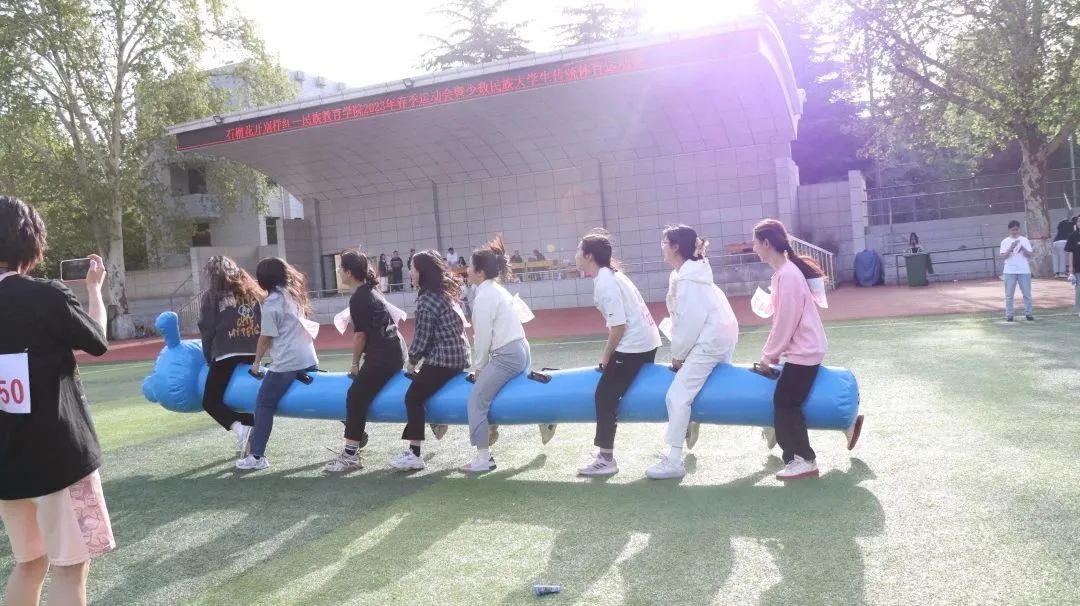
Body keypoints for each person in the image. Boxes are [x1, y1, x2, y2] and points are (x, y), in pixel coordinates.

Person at [0, 196, 115, 606]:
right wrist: (94, 291)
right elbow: (97, 341)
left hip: (7, 464)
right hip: (59, 457)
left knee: (29, 562)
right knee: (71, 567)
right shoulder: (46, 295)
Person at [646, 225, 739, 480]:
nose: (662, 248)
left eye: (665, 243)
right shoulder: (690, 272)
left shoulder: (688, 278)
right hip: (721, 333)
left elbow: (688, 321)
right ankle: (768, 422)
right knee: (716, 387)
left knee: (677, 396)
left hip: (710, 339)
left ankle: (674, 460)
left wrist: (678, 355)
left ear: (676, 247)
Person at [575, 229, 661, 476]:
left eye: (579, 250)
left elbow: (619, 327)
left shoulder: (606, 282)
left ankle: (606, 459)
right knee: (613, 392)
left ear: (589, 256)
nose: (576, 255)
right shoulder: (611, 275)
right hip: (647, 341)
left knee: (604, 396)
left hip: (635, 346)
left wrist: (606, 357)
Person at [752, 218, 830, 481]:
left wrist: (768, 356)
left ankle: (803, 459)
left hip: (804, 351)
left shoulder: (787, 275)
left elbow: (786, 321)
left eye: (755, 243)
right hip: (805, 349)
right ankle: (800, 458)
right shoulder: (783, 274)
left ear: (766, 243)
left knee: (785, 403)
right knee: (787, 400)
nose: (754, 249)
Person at [325, 250, 406, 472]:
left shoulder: (359, 297)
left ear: (349, 273)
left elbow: (360, 336)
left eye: (340, 268)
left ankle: (351, 455)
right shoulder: (372, 292)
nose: (338, 271)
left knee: (355, 396)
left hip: (383, 356)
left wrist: (354, 364)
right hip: (394, 352)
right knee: (360, 394)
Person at [237, 257, 319, 470]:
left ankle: (257, 456)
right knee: (320, 396)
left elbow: (266, 337)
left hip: (286, 363)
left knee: (264, 404)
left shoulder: (272, 303)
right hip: (308, 358)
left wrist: (256, 363)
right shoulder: (293, 295)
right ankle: (350, 426)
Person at [392, 251, 471, 471]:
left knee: (413, 398)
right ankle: (437, 422)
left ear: (422, 272)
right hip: (459, 355)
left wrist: (411, 362)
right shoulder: (443, 292)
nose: (410, 273)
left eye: (412, 269)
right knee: (425, 387)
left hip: (444, 359)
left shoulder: (427, 300)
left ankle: (414, 453)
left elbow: (422, 338)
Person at [460, 235, 532, 473]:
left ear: (480, 272)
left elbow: (482, 338)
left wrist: (479, 367)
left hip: (507, 356)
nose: (467, 270)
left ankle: (483, 458)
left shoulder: (484, 296)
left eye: (470, 266)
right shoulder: (497, 290)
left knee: (476, 401)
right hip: (520, 348)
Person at [197, 256, 263, 455]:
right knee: (244, 399)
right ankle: (251, 444)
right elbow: (261, 319)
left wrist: (208, 355)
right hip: (252, 351)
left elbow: (207, 329)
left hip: (227, 352)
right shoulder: (250, 291)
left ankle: (241, 430)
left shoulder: (211, 296)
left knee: (210, 401)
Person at [999, 220, 1034, 322]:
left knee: (1027, 294)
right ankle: (1009, 315)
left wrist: (1023, 248)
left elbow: (1030, 255)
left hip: (1024, 270)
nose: (1015, 232)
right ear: (1009, 230)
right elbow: (1003, 257)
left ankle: (1029, 314)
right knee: (1009, 295)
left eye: (1016, 229)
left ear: (1019, 229)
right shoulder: (1005, 241)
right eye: (1013, 230)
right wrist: (1011, 248)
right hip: (1009, 271)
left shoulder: (1024, 240)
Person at [1065, 215, 1080, 316]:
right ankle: (1079, 309)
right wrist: (1070, 267)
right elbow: (1070, 252)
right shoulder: (1073, 236)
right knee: (1079, 289)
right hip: (1078, 266)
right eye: (1079, 221)